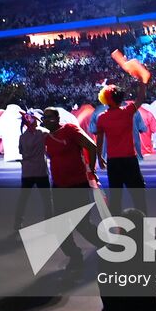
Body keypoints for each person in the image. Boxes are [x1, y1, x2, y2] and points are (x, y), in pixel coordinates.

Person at [42, 108, 103, 265]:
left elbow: (91, 146)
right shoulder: (47, 138)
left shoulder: (69, 129)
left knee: (82, 225)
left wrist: (92, 169)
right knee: (59, 227)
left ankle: (106, 247)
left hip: (77, 185)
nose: (46, 120)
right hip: (59, 187)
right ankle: (75, 255)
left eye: (50, 117)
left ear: (57, 118)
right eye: (44, 117)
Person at [94, 80, 148, 210]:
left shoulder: (101, 117)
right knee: (138, 195)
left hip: (113, 161)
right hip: (129, 159)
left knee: (116, 196)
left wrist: (100, 157)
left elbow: (99, 139)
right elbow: (141, 98)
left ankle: (117, 225)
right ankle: (143, 223)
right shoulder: (128, 111)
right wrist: (142, 84)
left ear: (105, 98)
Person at [15, 110, 51, 229]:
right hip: (41, 170)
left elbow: (20, 151)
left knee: (23, 198)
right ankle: (49, 222)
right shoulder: (43, 133)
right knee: (46, 199)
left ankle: (18, 222)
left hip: (27, 171)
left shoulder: (22, 137)